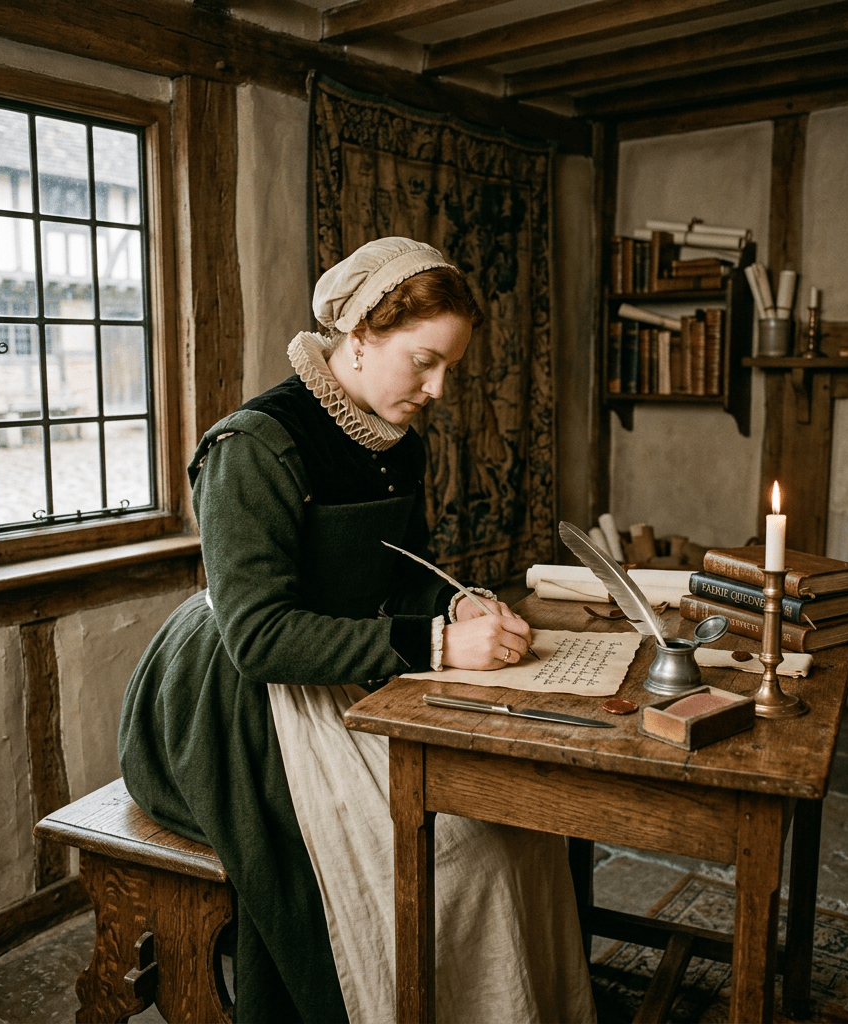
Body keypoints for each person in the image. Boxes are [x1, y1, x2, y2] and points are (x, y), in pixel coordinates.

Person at [119, 237, 597, 1024]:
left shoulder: (392, 435)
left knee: (517, 821)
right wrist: (436, 645)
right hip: (236, 699)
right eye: (424, 361)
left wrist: (457, 604)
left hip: (346, 665)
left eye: (451, 367)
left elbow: (402, 568)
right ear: (360, 335)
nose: (440, 388)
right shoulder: (253, 446)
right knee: (452, 856)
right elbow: (261, 637)